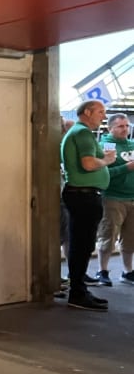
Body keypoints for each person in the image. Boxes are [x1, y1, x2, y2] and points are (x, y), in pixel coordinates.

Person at [61, 99, 115, 311]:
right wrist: (107, 161)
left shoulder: (78, 132)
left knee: (81, 244)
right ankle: (77, 292)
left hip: (82, 195)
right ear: (87, 112)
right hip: (84, 196)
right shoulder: (82, 133)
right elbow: (89, 163)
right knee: (82, 244)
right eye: (101, 112)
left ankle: (79, 289)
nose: (104, 116)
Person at [94, 113, 134, 285]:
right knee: (108, 234)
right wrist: (126, 168)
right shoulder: (106, 145)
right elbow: (103, 173)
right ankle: (102, 270)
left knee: (130, 237)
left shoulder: (132, 144)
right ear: (110, 128)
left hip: (132, 196)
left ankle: (128, 271)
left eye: (126, 126)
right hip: (113, 197)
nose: (124, 129)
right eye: (120, 126)